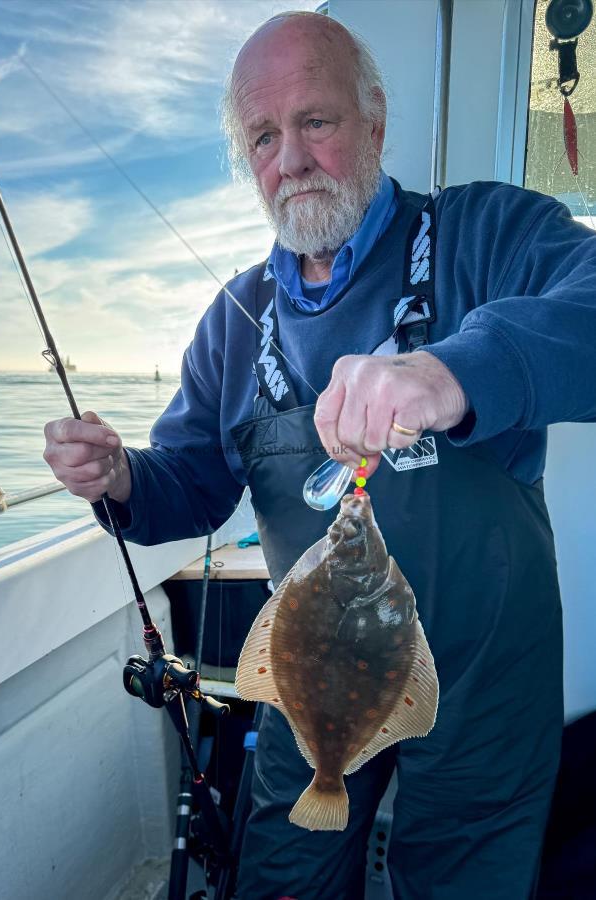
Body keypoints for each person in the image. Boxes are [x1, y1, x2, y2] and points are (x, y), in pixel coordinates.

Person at [43, 11, 596, 900]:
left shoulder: (488, 234)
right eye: (263, 135)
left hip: (487, 676)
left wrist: (452, 370)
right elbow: (186, 486)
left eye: (316, 122)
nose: (290, 158)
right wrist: (122, 479)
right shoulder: (232, 320)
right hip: (311, 677)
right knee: (285, 873)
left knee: (466, 878)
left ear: (374, 122)